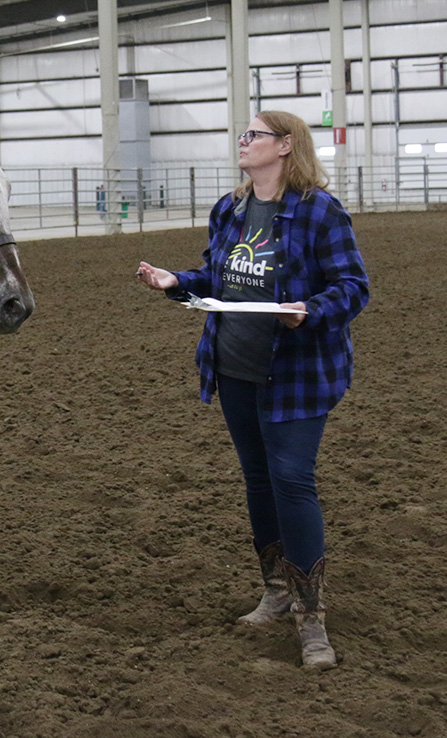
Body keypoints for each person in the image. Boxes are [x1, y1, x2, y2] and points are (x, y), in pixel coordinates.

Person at [135, 111, 368, 671]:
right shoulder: (230, 208)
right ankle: (276, 590)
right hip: (234, 365)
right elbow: (218, 278)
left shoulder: (319, 211)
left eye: (254, 135)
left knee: (291, 480)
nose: (243, 142)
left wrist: (309, 311)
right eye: (242, 135)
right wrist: (176, 282)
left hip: (297, 371)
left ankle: (311, 618)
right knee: (259, 481)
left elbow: (353, 287)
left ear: (286, 146)